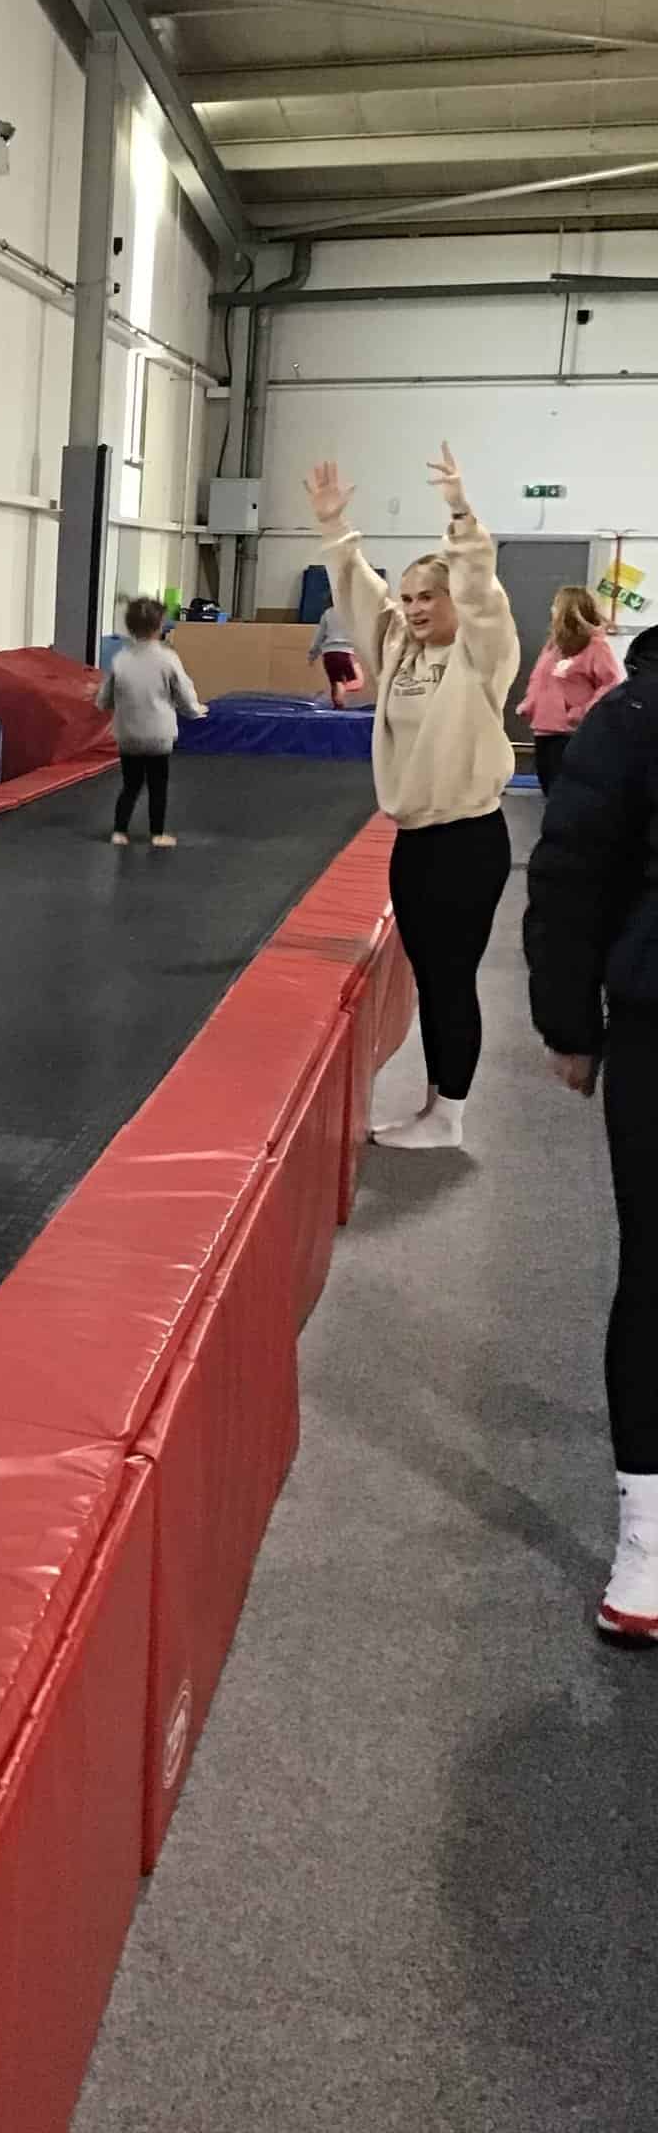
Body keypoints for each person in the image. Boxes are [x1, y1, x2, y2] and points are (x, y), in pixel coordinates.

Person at [307, 443, 519, 1151]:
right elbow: (358, 592)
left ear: (455, 601)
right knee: (431, 976)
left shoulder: (482, 654)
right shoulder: (398, 650)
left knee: (451, 977)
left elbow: (484, 591)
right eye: (409, 598)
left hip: (468, 838)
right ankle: (435, 1105)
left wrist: (460, 514)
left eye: (429, 596)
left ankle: (449, 1116)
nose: (415, 608)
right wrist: (335, 528)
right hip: (416, 840)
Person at [522, 624, 658, 1641]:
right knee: (654, 1273)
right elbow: (571, 869)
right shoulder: (637, 713)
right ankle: (647, 1530)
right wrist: (571, 1020)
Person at [96, 597, 204, 847]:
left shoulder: (121, 659)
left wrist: (104, 705)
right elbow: (183, 692)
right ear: (159, 626)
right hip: (158, 735)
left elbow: (105, 697)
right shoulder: (168, 658)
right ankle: (157, 834)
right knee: (158, 785)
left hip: (128, 734)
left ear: (130, 627)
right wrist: (195, 710)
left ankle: (119, 831)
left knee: (130, 784)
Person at [519, 584, 622, 799]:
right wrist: (529, 704)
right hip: (544, 729)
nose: (552, 610)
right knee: (548, 790)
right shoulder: (553, 646)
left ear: (567, 612)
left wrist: (582, 712)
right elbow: (539, 678)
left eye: (556, 606)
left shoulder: (596, 647)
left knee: (564, 794)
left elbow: (610, 683)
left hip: (570, 733)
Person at [307, 597, 360, 709]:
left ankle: (337, 704)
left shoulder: (328, 613)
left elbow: (319, 636)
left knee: (336, 681)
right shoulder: (351, 613)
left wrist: (313, 654)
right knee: (356, 682)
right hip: (345, 652)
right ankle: (334, 696)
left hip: (329, 654)